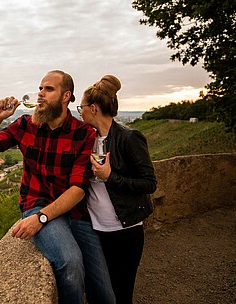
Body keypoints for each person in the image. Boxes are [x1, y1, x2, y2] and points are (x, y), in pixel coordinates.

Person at [0, 70, 115, 304]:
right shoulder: (25, 125)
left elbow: (78, 189)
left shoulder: (83, 133)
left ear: (65, 96)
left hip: (74, 213)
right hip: (36, 204)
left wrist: (40, 219)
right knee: (70, 263)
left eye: (48, 89)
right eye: (40, 88)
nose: (40, 94)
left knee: (104, 292)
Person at [77, 75, 157, 304]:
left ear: (93, 108)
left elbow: (150, 183)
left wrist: (111, 177)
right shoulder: (87, 139)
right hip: (95, 231)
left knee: (121, 293)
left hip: (125, 232)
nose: (79, 112)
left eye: (80, 107)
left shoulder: (129, 138)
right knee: (96, 293)